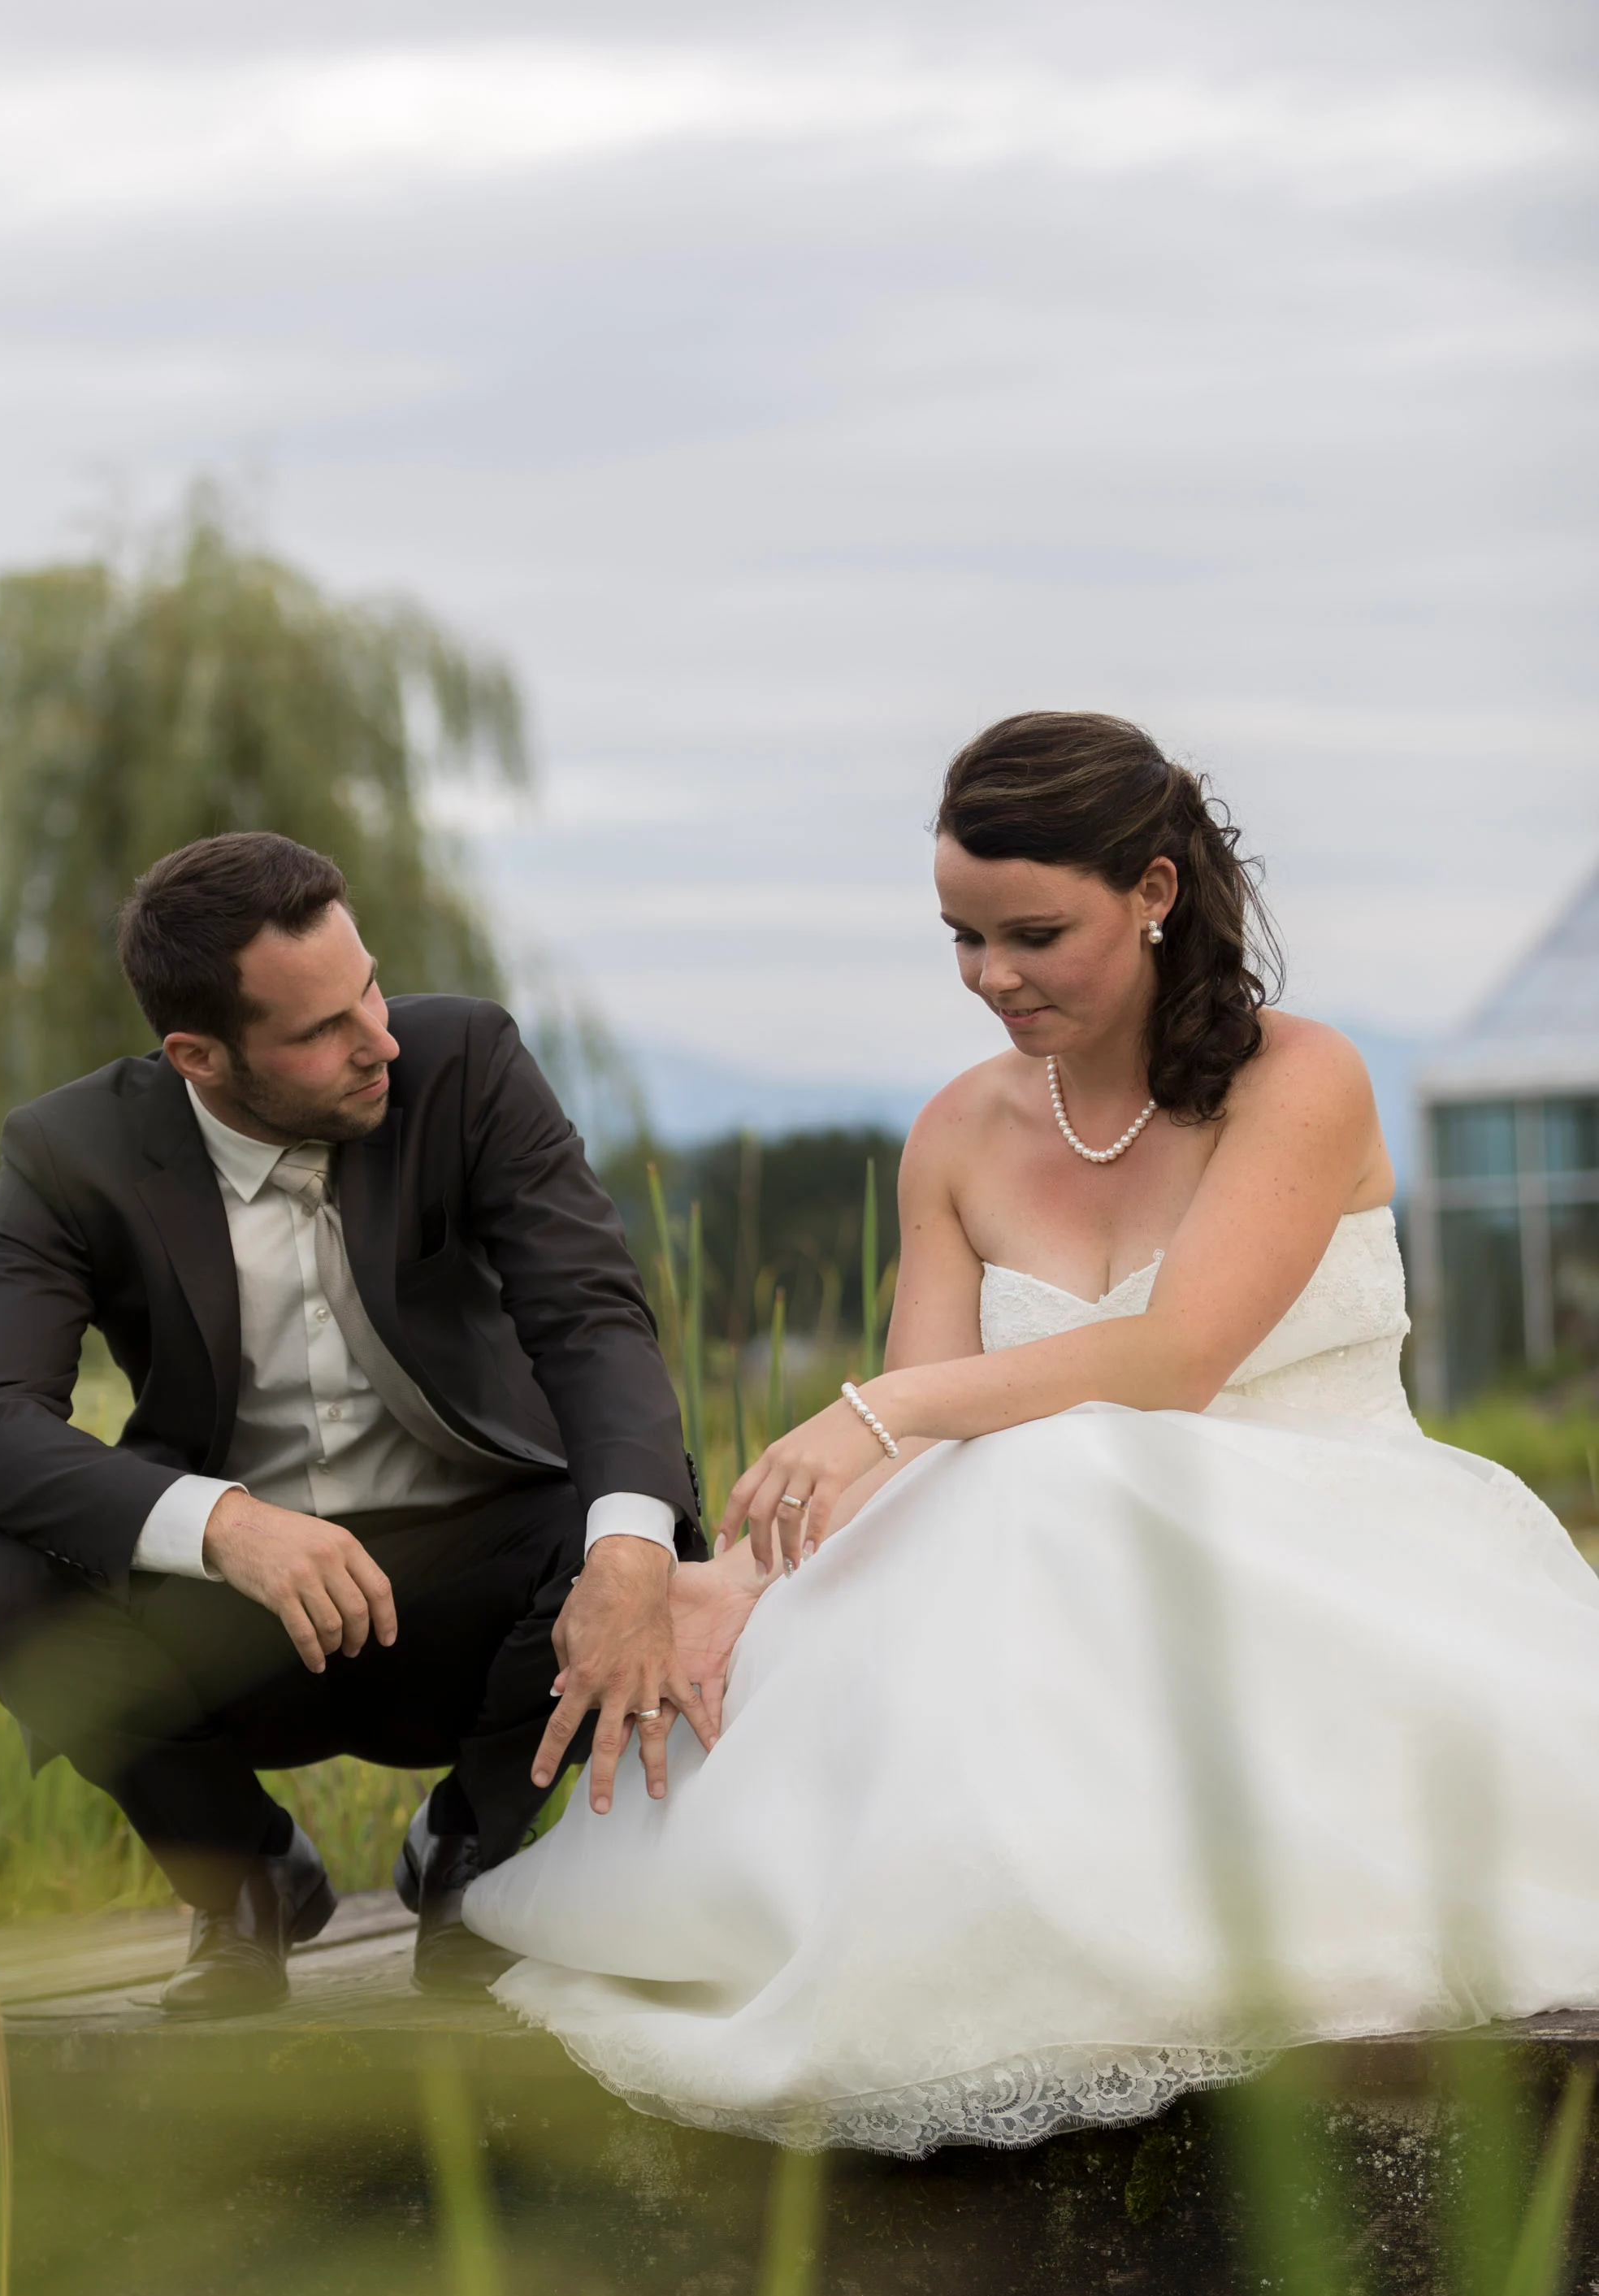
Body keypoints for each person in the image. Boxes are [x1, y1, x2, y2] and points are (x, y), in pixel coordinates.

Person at [467, 710, 1599, 2151]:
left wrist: (881, 1406)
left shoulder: (1300, 1077)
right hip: (1055, 1581)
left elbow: (1172, 1358)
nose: (991, 977)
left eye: (1032, 933)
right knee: (993, 1511)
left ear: (1152, 894)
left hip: (1321, 1552)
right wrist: (743, 1585)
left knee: (1054, 1466)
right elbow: (911, 1457)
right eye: (960, 937)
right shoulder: (955, 1132)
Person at [0, 831, 710, 2015]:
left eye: (373, 990)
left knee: (632, 1516)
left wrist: (626, 1546)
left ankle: (471, 1857)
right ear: (197, 1055)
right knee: (7, 1581)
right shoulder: (70, 1150)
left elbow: (590, 1317)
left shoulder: (463, 1064)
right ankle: (243, 1882)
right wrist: (225, 1524)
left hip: (477, 1596)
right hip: (240, 1620)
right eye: (320, 1031)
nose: (378, 1041)